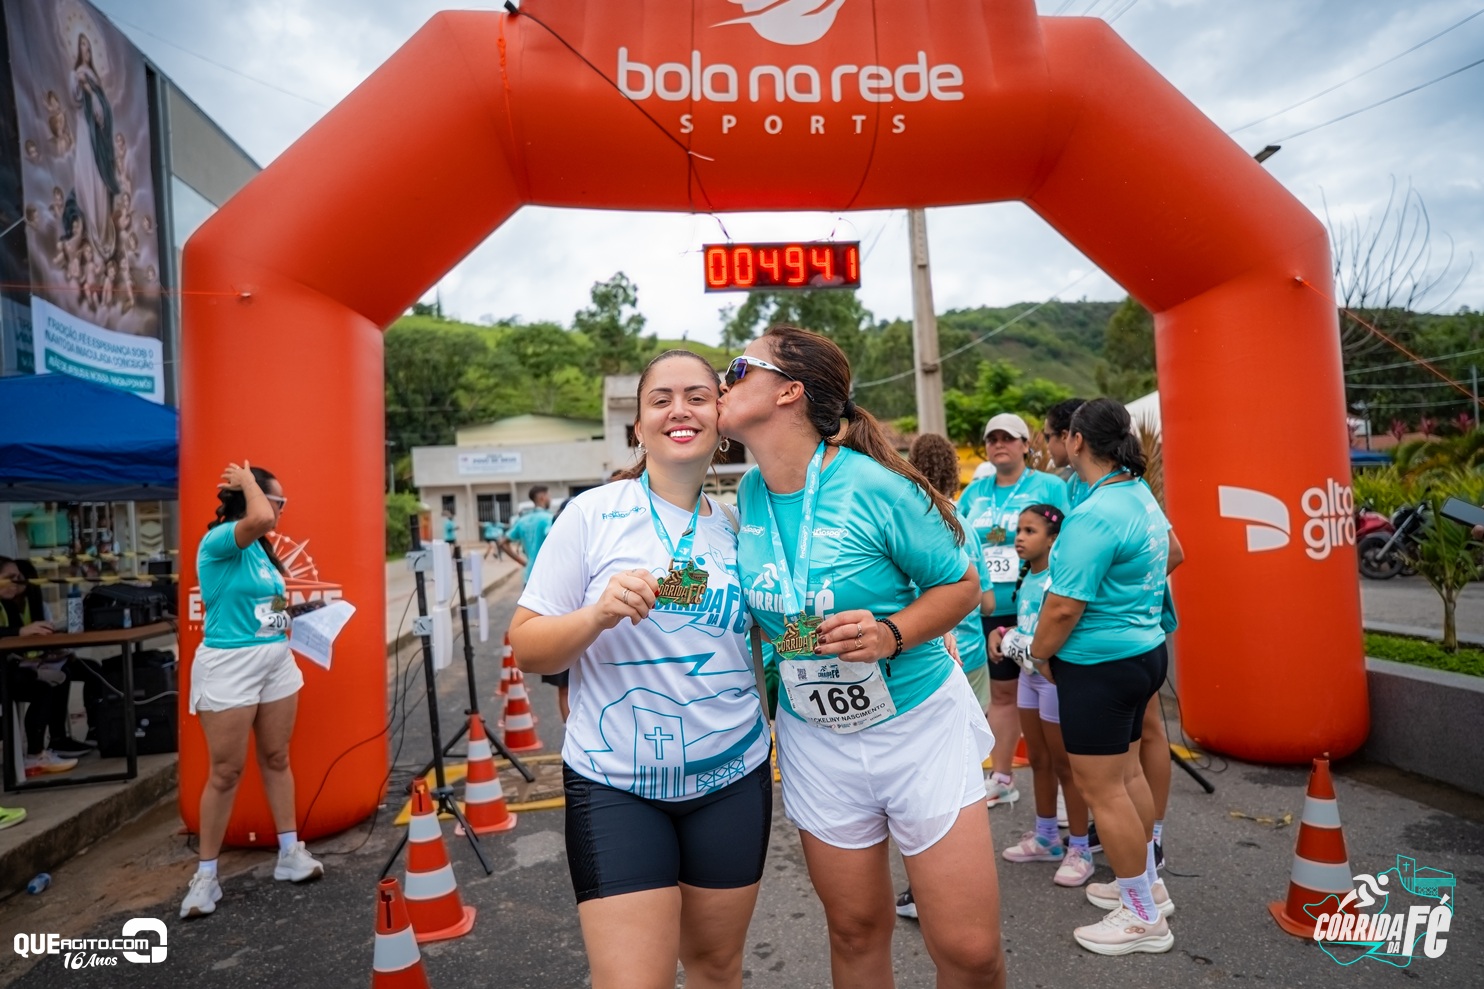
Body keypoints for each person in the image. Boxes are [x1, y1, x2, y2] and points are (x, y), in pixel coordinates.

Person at [722, 325, 1005, 989]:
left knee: (968, 950)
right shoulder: (751, 494)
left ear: (788, 391)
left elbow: (962, 584)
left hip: (916, 725)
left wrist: (890, 634)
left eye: (738, 366)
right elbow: (781, 620)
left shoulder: (874, 486)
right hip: (815, 739)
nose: (723, 379)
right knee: (854, 930)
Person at [509, 350, 771, 989]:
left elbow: (771, 638)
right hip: (616, 785)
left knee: (716, 969)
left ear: (720, 416)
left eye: (697, 397)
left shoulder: (743, 527)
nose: (679, 410)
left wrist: (897, 631)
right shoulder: (591, 513)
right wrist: (597, 614)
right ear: (638, 426)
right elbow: (528, 646)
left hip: (733, 778)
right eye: (661, 399)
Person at [1009, 398, 1180, 955]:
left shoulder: (1095, 511)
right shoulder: (1137, 494)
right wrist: (1130, 601)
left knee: (1101, 790)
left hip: (1100, 667)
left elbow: (1061, 609)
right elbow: (1173, 553)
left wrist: (1035, 654)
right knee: (1127, 777)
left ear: (1077, 440)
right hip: (1144, 652)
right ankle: (1146, 884)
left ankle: (1141, 917)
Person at [180, 462, 323, 920]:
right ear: (253, 499)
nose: (280, 510)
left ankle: (289, 852)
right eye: (277, 500)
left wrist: (299, 618)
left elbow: (272, 606)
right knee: (225, 771)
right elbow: (259, 519)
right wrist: (245, 483)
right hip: (229, 665)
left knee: (277, 757)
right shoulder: (222, 540)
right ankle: (205, 876)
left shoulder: (264, 553)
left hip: (275, 661)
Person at [894, 432, 994, 920]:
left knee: (917, 782)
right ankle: (953, 876)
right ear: (955, 469)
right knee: (957, 773)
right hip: (967, 651)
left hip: (916, 653)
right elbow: (987, 597)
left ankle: (920, 889)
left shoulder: (908, 512)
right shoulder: (961, 521)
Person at [958, 412, 1068, 809]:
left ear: (1026, 444)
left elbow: (1069, 539)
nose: (999, 444)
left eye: (1008, 437)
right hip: (990, 610)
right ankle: (1002, 776)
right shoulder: (975, 491)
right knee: (1004, 695)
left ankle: (1061, 782)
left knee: (1050, 694)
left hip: (1038, 609)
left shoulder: (1050, 485)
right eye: (992, 439)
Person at [988, 506, 1095, 887]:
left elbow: (1067, 623)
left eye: (1030, 531)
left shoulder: (1059, 578)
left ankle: (1080, 847)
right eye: (1018, 529)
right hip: (1028, 678)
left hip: (1052, 680)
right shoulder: (1027, 577)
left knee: (1066, 765)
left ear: (1053, 539)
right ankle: (1047, 836)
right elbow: (1028, 623)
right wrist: (1002, 630)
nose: (1019, 537)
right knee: (1037, 759)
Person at [1, 557, 86, 776]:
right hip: (7, 674)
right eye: (10, 578)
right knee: (40, 687)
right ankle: (35, 755)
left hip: (12, 668)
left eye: (19, 577)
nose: (17, 582)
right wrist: (19, 633)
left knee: (51, 681)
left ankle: (41, 751)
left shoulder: (7, 605)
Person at [508, 485, 564, 716]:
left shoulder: (523, 521)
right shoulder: (546, 520)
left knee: (533, 628)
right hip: (548, 580)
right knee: (558, 636)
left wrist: (524, 563)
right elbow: (560, 542)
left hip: (528, 579)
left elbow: (503, 541)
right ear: (542, 497)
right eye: (548, 495)